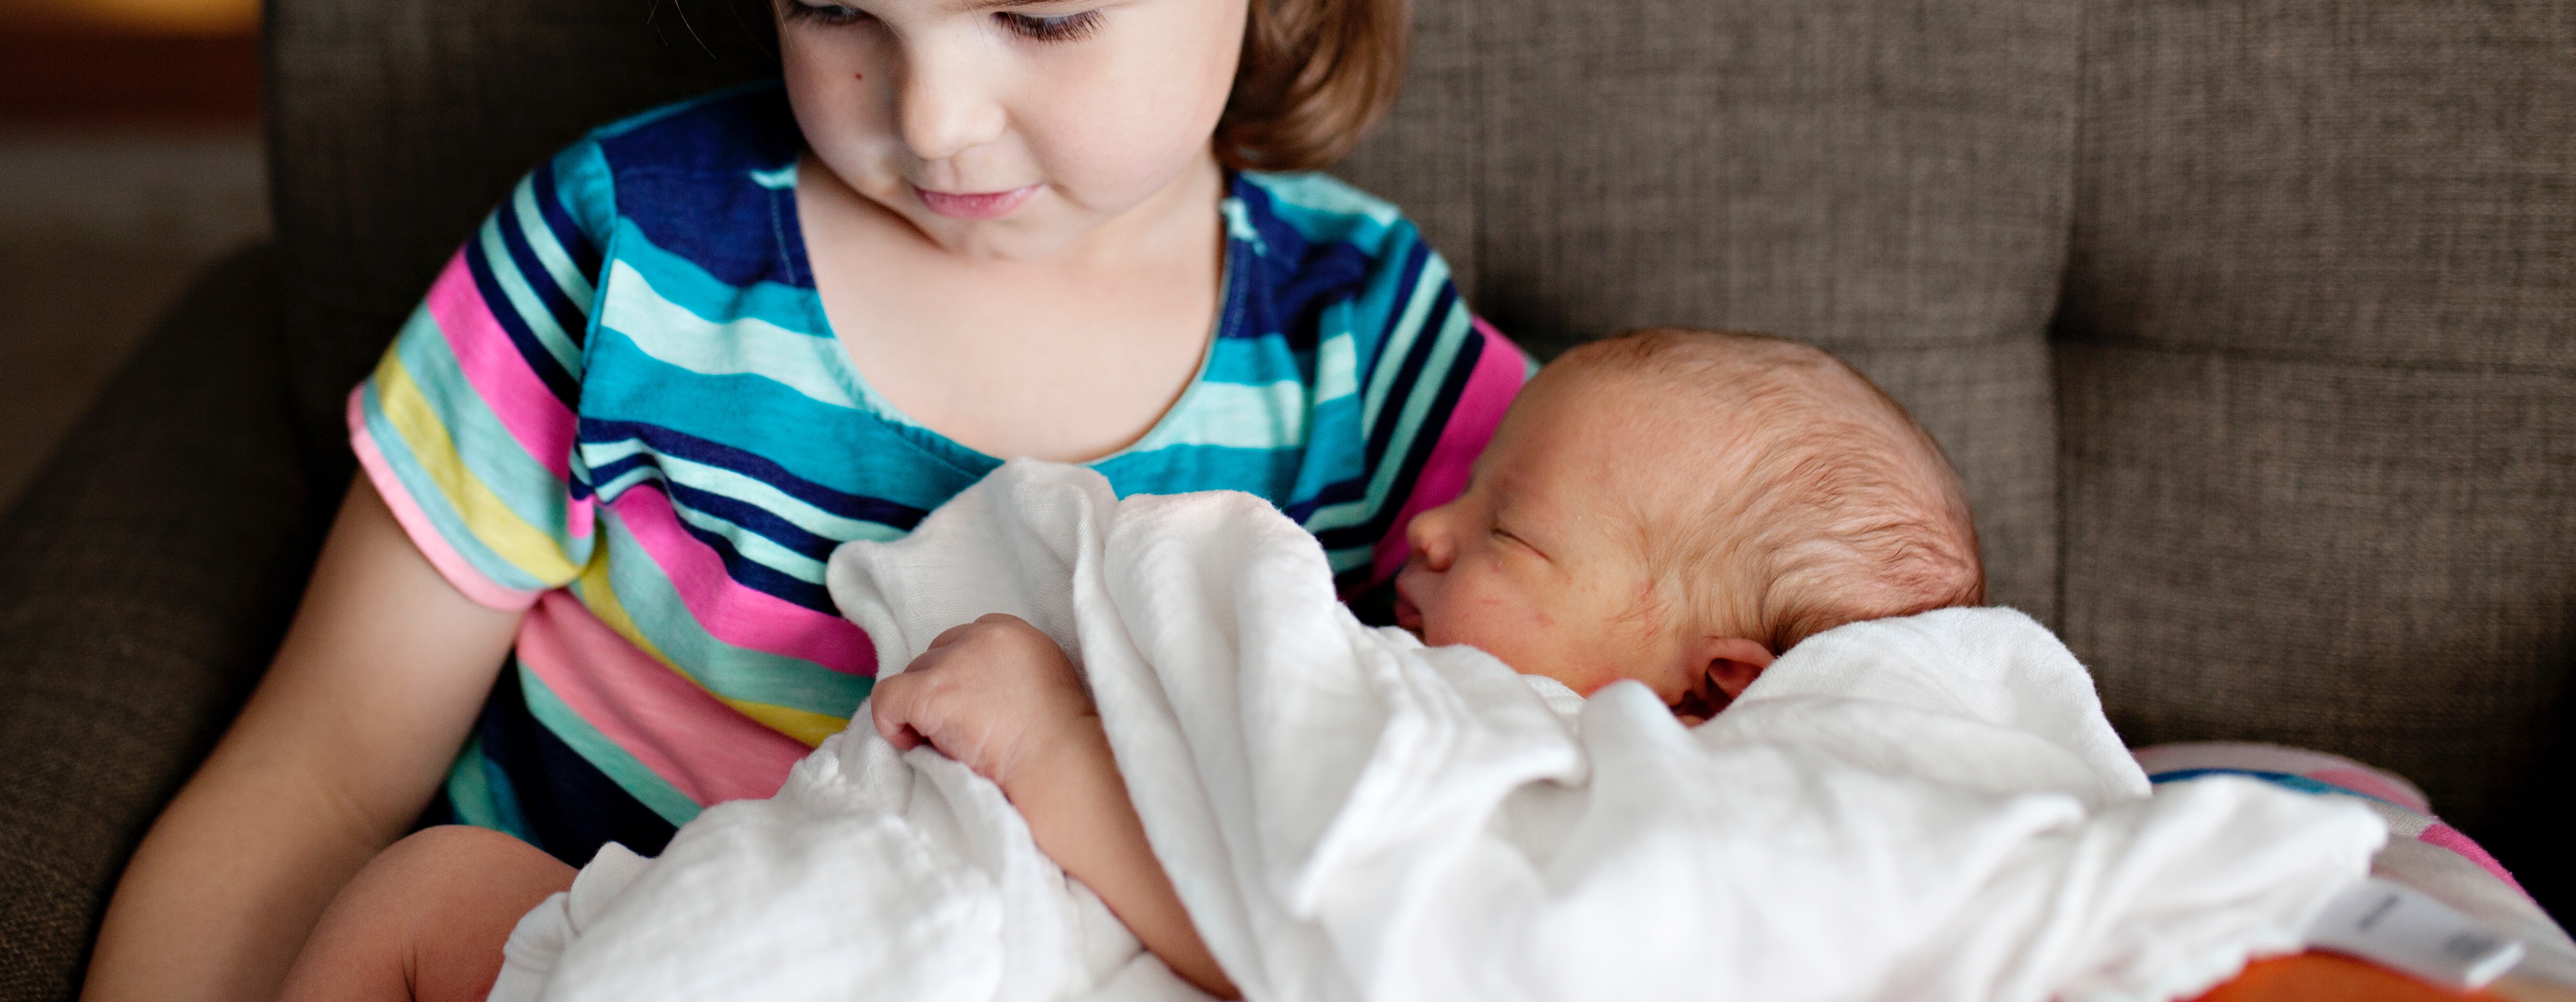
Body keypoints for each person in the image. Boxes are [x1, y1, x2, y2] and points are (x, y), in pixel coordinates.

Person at [82, 0, 1530, 1002]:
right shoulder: (617, 263)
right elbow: (320, 776)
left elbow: (1538, 837)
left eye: (1040, 18)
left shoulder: (1372, 357)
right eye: (827, 6)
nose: (937, 123)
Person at [265, 328, 1983, 1002]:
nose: (1424, 536)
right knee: (435, 887)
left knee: (445, 904)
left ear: (1711, 685)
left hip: (937, 947)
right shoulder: (1406, 687)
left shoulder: (1569, 831)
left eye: (1506, 534)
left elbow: (1333, 945)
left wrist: (1055, 746)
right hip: (871, 894)